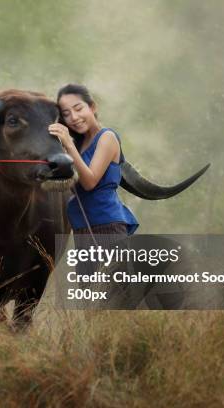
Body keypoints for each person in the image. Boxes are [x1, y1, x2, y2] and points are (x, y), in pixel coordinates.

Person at [49, 83, 138, 285]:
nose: (74, 117)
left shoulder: (106, 137)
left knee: (112, 298)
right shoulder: (77, 146)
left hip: (107, 226)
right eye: (66, 113)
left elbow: (89, 182)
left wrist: (69, 146)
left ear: (92, 107)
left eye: (78, 108)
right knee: (89, 301)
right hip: (82, 229)